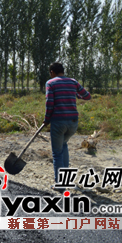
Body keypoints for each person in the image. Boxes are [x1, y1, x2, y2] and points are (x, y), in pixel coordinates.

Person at [44, 62, 91, 191]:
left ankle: (60, 184)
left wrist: (46, 120)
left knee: (57, 153)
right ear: (62, 71)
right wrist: (75, 94)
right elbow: (87, 96)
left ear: (52, 72)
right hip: (73, 122)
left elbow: (50, 103)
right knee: (63, 145)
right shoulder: (73, 82)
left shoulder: (51, 83)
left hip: (58, 122)